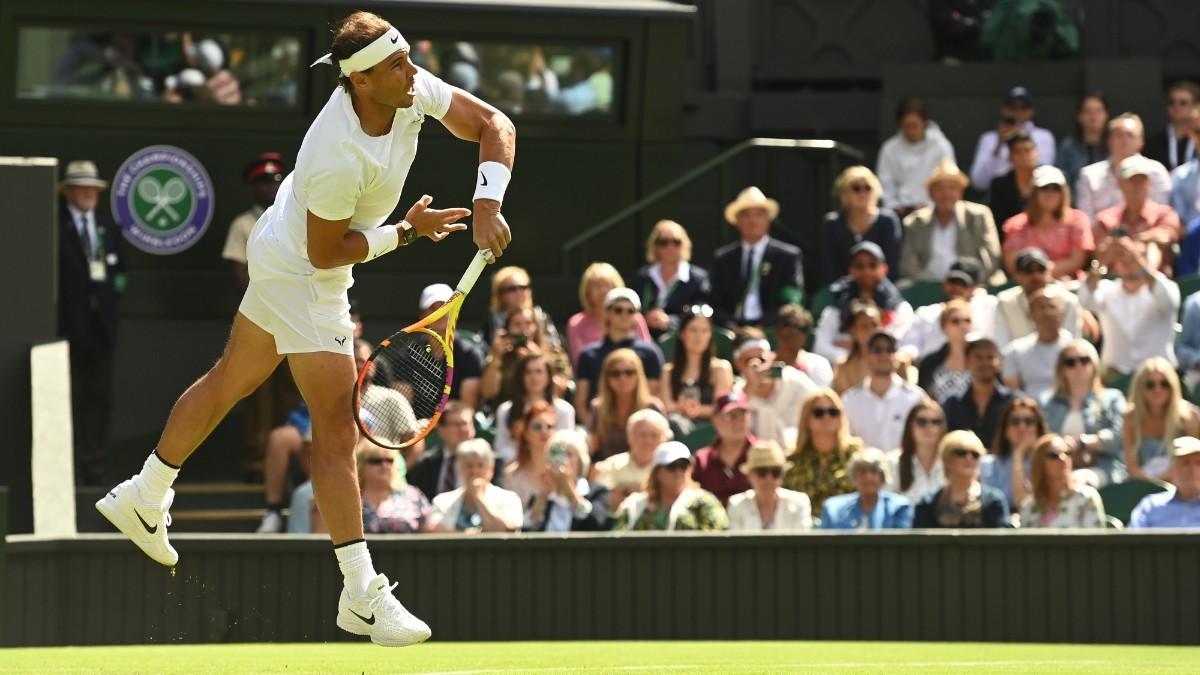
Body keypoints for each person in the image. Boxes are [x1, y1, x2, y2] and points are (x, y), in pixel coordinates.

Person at [96, 11, 516, 646]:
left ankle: (145, 491)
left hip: (283, 242)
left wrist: (488, 202)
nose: (412, 73)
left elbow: (493, 124)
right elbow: (327, 253)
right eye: (397, 67)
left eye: (407, 62)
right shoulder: (334, 154)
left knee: (231, 378)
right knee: (337, 428)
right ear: (361, 81)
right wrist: (406, 232)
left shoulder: (403, 86)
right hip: (305, 266)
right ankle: (360, 593)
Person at [57, 159, 124, 486]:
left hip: (103, 330)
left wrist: (110, 304)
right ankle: (68, 466)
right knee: (69, 398)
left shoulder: (106, 226)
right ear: (68, 191)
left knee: (100, 398)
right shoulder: (54, 226)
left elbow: (121, 273)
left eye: (93, 188)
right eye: (82, 187)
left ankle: (94, 467)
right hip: (67, 329)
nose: (88, 193)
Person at [1080, 235, 1180, 377]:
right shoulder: (1106, 289)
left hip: (1157, 379)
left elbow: (1168, 300)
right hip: (1113, 377)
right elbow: (1085, 299)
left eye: (1138, 255)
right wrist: (1101, 262)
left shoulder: (1165, 286)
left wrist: (1138, 262)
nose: (1127, 261)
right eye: (1121, 256)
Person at [1038, 339, 1127, 488]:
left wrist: (1081, 443)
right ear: (1061, 369)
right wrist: (1063, 445)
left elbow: (1117, 437)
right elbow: (1041, 441)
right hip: (1056, 467)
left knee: (1077, 482)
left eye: (1084, 360)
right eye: (1070, 362)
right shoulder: (1047, 402)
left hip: (1101, 467)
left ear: (1094, 365)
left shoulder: (1112, 398)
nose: (1078, 366)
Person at [711, 186, 804, 328]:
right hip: (732, 331)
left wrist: (762, 327)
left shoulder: (787, 257)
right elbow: (715, 302)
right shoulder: (723, 259)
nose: (752, 221)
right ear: (737, 221)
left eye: (759, 215)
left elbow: (791, 301)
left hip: (772, 331)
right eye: (746, 215)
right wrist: (732, 327)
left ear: (768, 220)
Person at [899, 160, 1003, 284]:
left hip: (972, 284)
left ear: (961, 192)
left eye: (952, 188)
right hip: (928, 284)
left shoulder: (979, 216)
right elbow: (908, 264)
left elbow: (991, 257)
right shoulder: (915, 222)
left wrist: (967, 283)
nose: (946, 194)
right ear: (930, 194)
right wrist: (935, 284)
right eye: (940, 189)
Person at [814, 241, 915, 365]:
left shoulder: (900, 308)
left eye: (873, 265)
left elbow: (901, 345)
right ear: (851, 270)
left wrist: (856, 347)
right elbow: (820, 346)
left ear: (884, 269)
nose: (866, 271)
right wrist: (852, 358)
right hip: (845, 371)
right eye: (860, 266)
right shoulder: (836, 308)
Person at [574, 288, 664, 419]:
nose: (624, 315)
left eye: (630, 311)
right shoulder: (588, 355)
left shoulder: (650, 353)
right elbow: (581, 403)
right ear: (607, 313)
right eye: (618, 310)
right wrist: (595, 428)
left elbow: (652, 397)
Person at [1094, 155, 1182, 275]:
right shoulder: (1107, 218)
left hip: (1154, 283)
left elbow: (1165, 237)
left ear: (1149, 183)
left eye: (1142, 180)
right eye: (1131, 180)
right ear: (1120, 184)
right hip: (1114, 284)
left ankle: (1147, 275)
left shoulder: (1164, 214)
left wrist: (1129, 242)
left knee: (1153, 246)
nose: (1137, 185)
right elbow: (1100, 251)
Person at [1002, 165, 1094, 280]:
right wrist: (1039, 276)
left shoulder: (1077, 219)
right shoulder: (1015, 225)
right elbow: (1012, 265)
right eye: (1044, 188)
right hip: (1028, 285)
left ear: (1064, 192)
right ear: (1034, 192)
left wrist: (1045, 272)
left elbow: (1077, 260)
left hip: (1069, 284)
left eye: (1056, 188)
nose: (1050, 193)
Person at [612, 441, 729, 531]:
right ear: (657, 472)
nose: (678, 472)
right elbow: (617, 539)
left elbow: (718, 536)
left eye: (683, 466)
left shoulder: (704, 502)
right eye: (672, 466)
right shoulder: (635, 506)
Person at [1075, 113, 1171, 221]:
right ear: (1109, 141)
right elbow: (1086, 221)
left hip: (1146, 235)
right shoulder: (1089, 175)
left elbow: (1162, 215)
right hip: (1102, 235)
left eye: (1130, 135)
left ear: (1141, 142)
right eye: (1119, 134)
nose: (1124, 140)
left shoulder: (1156, 172)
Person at [842, 331, 925, 453]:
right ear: (866, 355)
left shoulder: (916, 399)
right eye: (877, 350)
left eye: (890, 350)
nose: (884, 355)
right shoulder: (849, 400)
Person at [901, 257, 998, 360]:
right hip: (928, 369)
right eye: (952, 282)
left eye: (963, 284)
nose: (956, 287)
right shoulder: (925, 313)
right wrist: (906, 357)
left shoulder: (986, 308)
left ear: (974, 288)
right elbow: (910, 346)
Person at [782, 389, 862, 513]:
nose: (827, 417)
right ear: (806, 419)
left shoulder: (855, 455)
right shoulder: (793, 461)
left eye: (833, 412)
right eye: (818, 413)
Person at [820, 166, 903, 285]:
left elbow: (892, 265)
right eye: (856, 188)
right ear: (844, 193)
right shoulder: (831, 223)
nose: (863, 193)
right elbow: (829, 268)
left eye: (868, 188)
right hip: (842, 293)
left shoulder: (888, 220)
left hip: (882, 290)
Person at [875, 96, 956, 217]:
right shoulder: (889, 149)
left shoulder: (941, 147)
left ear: (924, 123)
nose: (911, 131)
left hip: (935, 214)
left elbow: (948, 181)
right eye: (907, 126)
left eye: (915, 126)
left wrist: (931, 205)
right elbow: (885, 185)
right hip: (898, 214)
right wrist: (894, 205)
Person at [731, 338, 817, 448]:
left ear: (771, 358)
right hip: (757, 458)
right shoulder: (737, 392)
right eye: (749, 361)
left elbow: (820, 402)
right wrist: (752, 385)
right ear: (738, 364)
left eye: (762, 359)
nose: (757, 365)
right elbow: (730, 422)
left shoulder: (793, 379)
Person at [913, 430, 1010, 528]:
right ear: (946, 459)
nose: (969, 458)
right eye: (961, 453)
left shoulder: (993, 502)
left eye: (975, 454)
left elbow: (1001, 540)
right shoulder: (927, 504)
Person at [492, 352, 575, 464]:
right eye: (528, 372)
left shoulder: (564, 410)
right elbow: (501, 447)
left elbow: (567, 445)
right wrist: (524, 460)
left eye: (539, 372)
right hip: (515, 468)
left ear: (548, 376)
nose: (534, 377)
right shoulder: (506, 410)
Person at [1124, 358, 1200, 480]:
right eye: (1150, 385)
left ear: (1172, 386)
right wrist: (1152, 483)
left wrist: (1166, 479)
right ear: (1140, 389)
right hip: (1143, 482)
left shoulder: (1189, 416)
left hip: (1182, 480)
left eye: (1164, 384)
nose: (1157, 389)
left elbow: (1193, 461)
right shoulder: (1131, 417)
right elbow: (1132, 467)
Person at [969, 86, 1056, 192]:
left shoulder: (1044, 136)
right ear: (1004, 109)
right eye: (1013, 107)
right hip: (998, 196)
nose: (1018, 112)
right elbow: (979, 182)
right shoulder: (988, 139)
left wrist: (1019, 138)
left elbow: (1044, 176)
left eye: (1024, 107)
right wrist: (999, 144)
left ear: (1032, 110)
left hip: (1032, 195)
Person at [660, 305, 734, 431]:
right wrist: (681, 408)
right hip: (677, 428)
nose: (699, 336)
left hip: (711, 429)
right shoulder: (668, 371)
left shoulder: (720, 368)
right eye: (693, 330)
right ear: (682, 334)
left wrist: (697, 410)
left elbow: (721, 406)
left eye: (704, 331)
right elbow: (666, 405)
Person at [634, 219, 712, 338]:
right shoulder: (642, 277)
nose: (670, 247)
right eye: (663, 242)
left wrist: (670, 321)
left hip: (681, 340)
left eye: (676, 242)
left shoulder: (698, 279)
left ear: (684, 245)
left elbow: (702, 313)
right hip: (644, 337)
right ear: (655, 246)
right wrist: (645, 319)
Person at [992, 248, 1085, 346]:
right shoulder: (1004, 302)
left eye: (1041, 270)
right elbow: (1001, 345)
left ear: (1049, 272)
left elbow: (1074, 343)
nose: (1036, 276)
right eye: (1028, 271)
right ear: (1017, 275)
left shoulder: (1068, 301)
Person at [521, 429, 609, 532]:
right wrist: (542, 498)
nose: (562, 460)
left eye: (569, 454)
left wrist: (568, 488)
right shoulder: (541, 497)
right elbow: (525, 531)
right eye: (556, 454)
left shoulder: (597, 492)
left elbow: (596, 524)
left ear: (580, 460)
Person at [428, 439, 523, 533]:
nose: (474, 471)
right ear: (459, 469)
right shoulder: (442, 501)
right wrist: (465, 536)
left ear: (491, 470)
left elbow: (507, 530)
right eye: (469, 465)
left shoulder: (509, 498)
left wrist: (478, 497)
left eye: (480, 465)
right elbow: (433, 530)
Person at [408, 402, 498, 502]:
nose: (464, 429)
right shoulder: (426, 464)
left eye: (466, 424)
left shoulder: (489, 461)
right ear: (441, 430)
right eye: (457, 425)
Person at [566, 262, 651, 367]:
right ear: (587, 292)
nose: (603, 291)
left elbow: (647, 356)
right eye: (597, 286)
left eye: (608, 285)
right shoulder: (576, 323)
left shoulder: (634, 317)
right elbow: (580, 364)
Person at [586, 348, 665, 461]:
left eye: (629, 372)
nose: (622, 378)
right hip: (609, 470)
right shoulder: (598, 408)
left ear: (638, 375)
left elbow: (663, 447)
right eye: (615, 373)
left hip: (646, 470)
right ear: (606, 378)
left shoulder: (653, 407)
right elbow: (593, 449)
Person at [943, 335, 1018, 449]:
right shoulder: (952, 404)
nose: (985, 363)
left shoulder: (1013, 402)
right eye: (978, 357)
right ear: (967, 362)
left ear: (1000, 363)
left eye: (990, 357)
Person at [222, 152, 285, 290]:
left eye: (276, 181)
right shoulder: (242, 224)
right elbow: (239, 278)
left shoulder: (293, 220)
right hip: (259, 304)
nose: (272, 187)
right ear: (252, 188)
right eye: (265, 182)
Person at [417, 283, 484, 410]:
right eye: (433, 309)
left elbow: (468, 406)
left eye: (445, 308)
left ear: (455, 313)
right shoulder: (409, 353)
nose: (440, 314)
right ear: (422, 316)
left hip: (457, 424)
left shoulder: (470, 354)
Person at [1016, 434, 1106, 529]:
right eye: (1054, 455)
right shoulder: (1028, 508)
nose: (1063, 458)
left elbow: (1095, 542)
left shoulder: (1087, 499)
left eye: (1067, 452)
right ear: (1039, 464)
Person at [592, 408, 670, 512]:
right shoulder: (610, 465)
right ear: (629, 437)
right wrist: (627, 490)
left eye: (654, 435)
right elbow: (602, 498)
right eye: (642, 434)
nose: (648, 441)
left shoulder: (671, 468)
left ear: (664, 439)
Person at [1001, 286, 1071, 399]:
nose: (1047, 313)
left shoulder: (1077, 350)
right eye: (1041, 307)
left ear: (1062, 313)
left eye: (1052, 307)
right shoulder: (1015, 350)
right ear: (1030, 315)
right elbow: (1012, 393)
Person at [726, 440, 813, 531]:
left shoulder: (799, 503)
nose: (769, 478)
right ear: (749, 475)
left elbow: (801, 543)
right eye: (762, 472)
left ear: (782, 475)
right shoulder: (737, 504)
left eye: (776, 472)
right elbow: (737, 544)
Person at [820, 447, 913, 530]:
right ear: (854, 477)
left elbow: (901, 545)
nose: (868, 477)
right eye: (862, 472)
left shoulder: (898, 508)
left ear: (882, 476)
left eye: (873, 471)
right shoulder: (834, 508)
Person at [691, 392, 755, 505]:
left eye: (743, 414)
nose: (739, 421)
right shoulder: (701, 460)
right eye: (731, 416)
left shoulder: (766, 453)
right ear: (715, 420)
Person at [982, 397, 1047, 509]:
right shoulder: (987, 464)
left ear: (1038, 428)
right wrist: (1018, 454)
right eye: (1015, 421)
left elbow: (1023, 504)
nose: (1022, 427)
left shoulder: (1049, 461)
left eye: (1029, 421)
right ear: (1005, 430)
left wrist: (1019, 453)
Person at [356, 443, 431, 534]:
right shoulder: (350, 498)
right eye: (376, 461)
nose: (384, 465)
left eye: (389, 460)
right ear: (360, 464)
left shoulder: (413, 496)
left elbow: (427, 531)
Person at [502, 400, 561, 513]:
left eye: (549, 427)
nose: (544, 431)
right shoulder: (512, 476)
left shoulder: (564, 471)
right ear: (526, 434)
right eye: (537, 426)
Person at [481, 265, 560, 350]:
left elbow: (556, 349)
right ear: (500, 293)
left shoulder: (540, 317)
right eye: (512, 289)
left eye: (524, 287)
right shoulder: (493, 322)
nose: (519, 292)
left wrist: (538, 352)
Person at [1128, 437, 1200, 528]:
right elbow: (1133, 538)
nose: (1193, 470)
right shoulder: (1150, 505)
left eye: (1198, 463)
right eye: (1185, 463)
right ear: (1173, 468)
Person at [887, 399, 948, 503]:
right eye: (921, 422)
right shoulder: (892, 463)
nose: (929, 427)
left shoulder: (953, 463)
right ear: (910, 426)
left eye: (935, 422)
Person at [916, 299, 975, 403]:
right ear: (943, 327)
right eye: (955, 321)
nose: (962, 325)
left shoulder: (982, 357)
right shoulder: (930, 362)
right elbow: (925, 400)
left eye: (967, 320)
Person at [1056, 92, 1110, 188]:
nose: (1093, 116)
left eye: (1098, 111)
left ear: (1106, 115)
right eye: (1088, 111)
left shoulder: (1114, 145)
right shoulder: (1068, 147)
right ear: (1079, 116)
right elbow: (1061, 181)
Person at [1143, 80, 1200, 171]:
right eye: (1171, 102)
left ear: (1196, 106)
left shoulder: (1198, 139)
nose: (1176, 106)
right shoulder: (1153, 143)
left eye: (1183, 103)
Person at [987, 133, 1040, 229]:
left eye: (1027, 150)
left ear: (1037, 153)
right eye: (1018, 151)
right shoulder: (999, 185)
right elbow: (997, 222)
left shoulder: (1051, 181)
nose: (1024, 155)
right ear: (1010, 157)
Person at [773, 305, 833, 388]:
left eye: (801, 328)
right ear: (778, 330)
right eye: (787, 324)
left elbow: (822, 396)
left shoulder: (818, 363)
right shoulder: (765, 363)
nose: (794, 331)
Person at [830, 301, 883, 394]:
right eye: (864, 326)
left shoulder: (898, 363)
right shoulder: (842, 368)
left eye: (874, 325)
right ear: (853, 330)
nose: (871, 331)